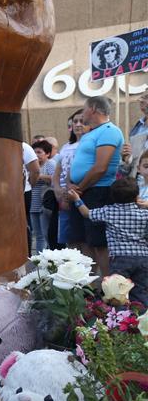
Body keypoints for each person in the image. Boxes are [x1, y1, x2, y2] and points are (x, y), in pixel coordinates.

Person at [68, 96, 124, 275]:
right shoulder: (90, 133)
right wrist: (71, 183)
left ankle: (109, 285)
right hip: (81, 191)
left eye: (84, 109)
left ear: (92, 109)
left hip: (97, 191)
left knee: (99, 242)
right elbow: (78, 163)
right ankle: (89, 285)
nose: (82, 113)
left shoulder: (109, 131)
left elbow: (101, 167)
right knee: (83, 241)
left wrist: (81, 187)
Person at [69, 178, 148, 303]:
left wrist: (77, 200)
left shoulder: (108, 211)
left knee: (117, 293)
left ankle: (121, 319)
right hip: (143, 258)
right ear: (136, 196)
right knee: (140, 291)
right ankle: (142, 317)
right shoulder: (144, 213)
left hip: (120, 258)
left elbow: (86, 213)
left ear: (112, 196)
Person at [52, 110, 89, 248]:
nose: (78, 124)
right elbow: (57, 172)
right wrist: (57, 190)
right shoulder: (66, 147)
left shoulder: (89, 144)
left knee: (84, 237)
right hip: (64, 196)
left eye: (82, 121)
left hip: (81, 193)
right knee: (70, 236)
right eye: (75, 121)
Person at [29, 139, 56, 252]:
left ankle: (51, 260)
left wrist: (37, 175)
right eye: (34, 152)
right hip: (33, 204)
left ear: (48, 154)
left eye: (39, 152)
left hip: (45, 205)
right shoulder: (30, 165)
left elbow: (54, 179)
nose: (36, 155)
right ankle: (39, 263)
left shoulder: (51, 164)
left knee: (47, 234)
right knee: (38, 235)